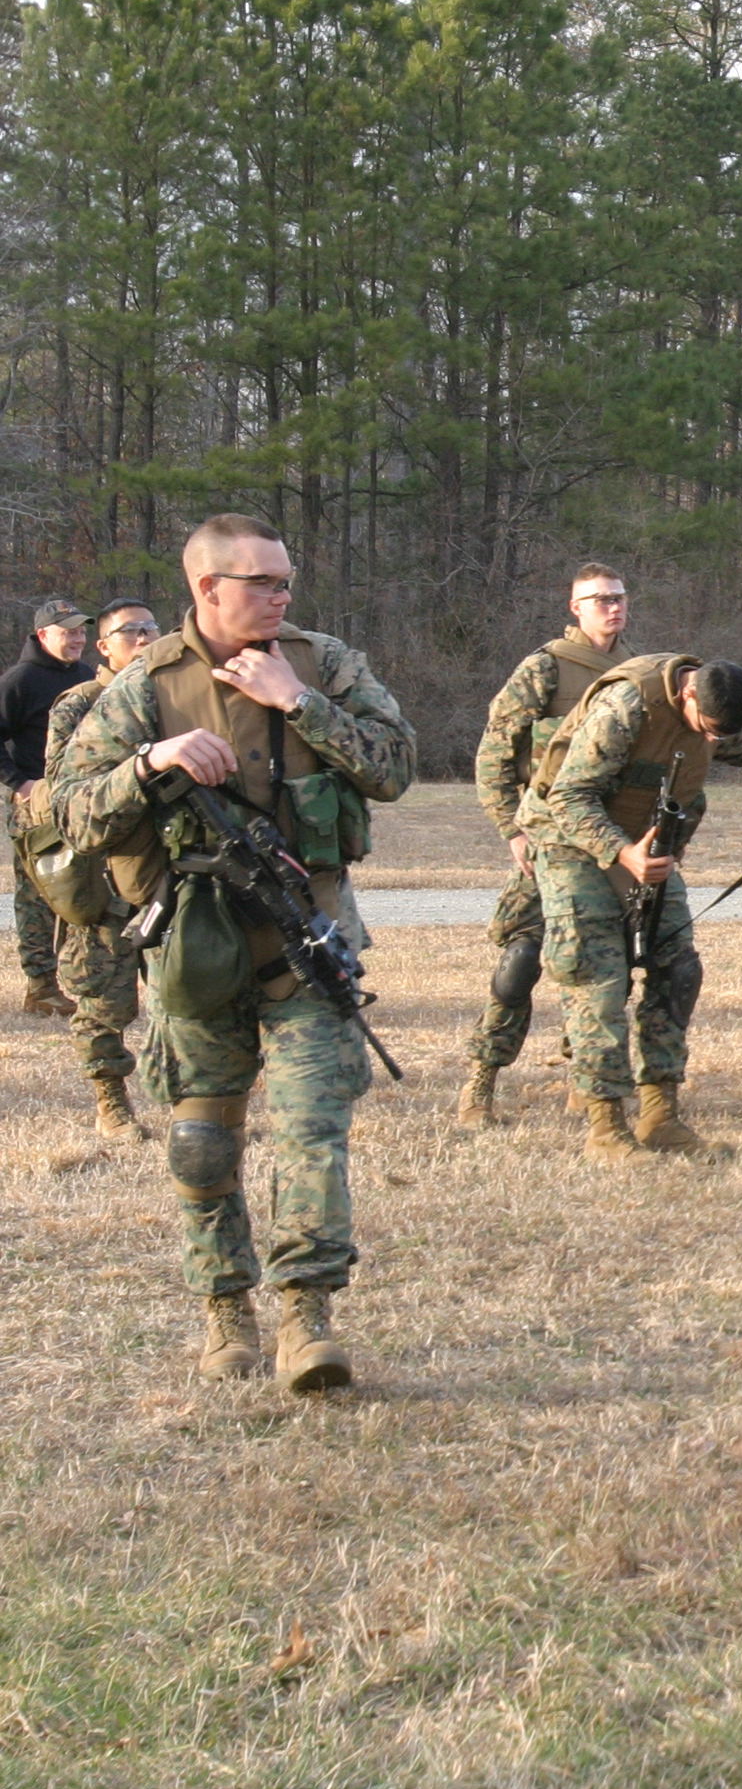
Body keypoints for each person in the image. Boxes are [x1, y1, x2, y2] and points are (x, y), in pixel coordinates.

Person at [53, 514, 415, 1391]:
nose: (281, 594)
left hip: (309, 942)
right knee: (203, 1144)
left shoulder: (323, 662)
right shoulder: (146, 683)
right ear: (207, 589)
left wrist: (300, 701)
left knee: (310, 1135)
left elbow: (396, 767)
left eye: (286, 579)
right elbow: (64, 811)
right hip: (196, 949)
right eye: (261, 582)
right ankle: (226, 1312)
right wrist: (150, 761)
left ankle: (307, 1319)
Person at [521, 652, 742, 1161]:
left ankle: (660, 1115)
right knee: (598, 978)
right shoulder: (626, 706)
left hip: (648, 846)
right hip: (575, 844)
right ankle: (605, 1127)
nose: (713, 743)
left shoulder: (714, 705)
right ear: (687, 694)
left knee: (678, 969)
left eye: (719, 736)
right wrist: (622, 853)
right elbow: (568, 797)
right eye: (708, 731)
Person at [458, 564, 630, 1124]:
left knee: (602, 965)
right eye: (598, 599)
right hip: (548, 841)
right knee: (521, 961)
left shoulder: (633, 673)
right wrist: (512, 829)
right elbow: (494, 754)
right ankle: (481, 1081)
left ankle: (585, 1081)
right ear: (574, 608)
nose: (611, 607)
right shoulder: (547, 667)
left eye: (618, 597)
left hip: (609, 844)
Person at [45, 599, 163, 1141]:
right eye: (131, 632)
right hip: (102, 875)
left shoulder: (173, 696)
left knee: (185, 994)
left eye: (152, 630)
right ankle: (111, 1101)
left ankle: (195, 1106)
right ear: (105, 646)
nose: (143, 639)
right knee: (102, 999)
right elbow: (61, 793)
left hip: (166, 868)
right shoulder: (79, 705)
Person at [5, 596, 96, 1015]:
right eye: (68, 632)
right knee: (38, 895)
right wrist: (18, 782)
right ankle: (40, 986)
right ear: (43, 635)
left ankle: (85, 978)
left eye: (81, 631)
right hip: (36, 806)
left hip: (80, 800)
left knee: (82, 890)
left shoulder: (85, 676)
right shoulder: (20, 680)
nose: (78, 639)